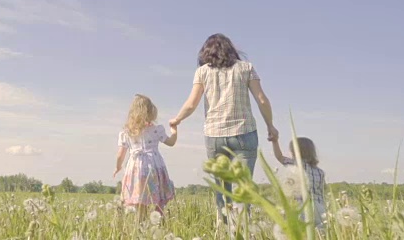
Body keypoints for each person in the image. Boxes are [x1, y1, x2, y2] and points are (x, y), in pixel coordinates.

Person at [169, 33, 278, 223]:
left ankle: (223, 228)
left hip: (214, 135)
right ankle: (242, 230)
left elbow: (191, 104)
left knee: (221, 188)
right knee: (243, 188)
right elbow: (262, 99)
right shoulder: (246, 68)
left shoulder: (202, 72)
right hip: (244, 132)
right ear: (231, 49)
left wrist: (177, 120)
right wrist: (271, 126)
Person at [113, 94, 177, 219]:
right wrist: (174, 131)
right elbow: (171, 142)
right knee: (157, 195)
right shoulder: (156, 130)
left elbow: (120, 154)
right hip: (154, 166)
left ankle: (141, 223)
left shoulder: (126, 132)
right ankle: (159, 219)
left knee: (140, 198)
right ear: (151, 111)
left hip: (136, 167)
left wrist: (118, 167)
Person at [272, 135, 326, 227]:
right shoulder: (320, 171)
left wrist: (275, 141)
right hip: (319, 208)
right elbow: (323, 190)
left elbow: (279, 156)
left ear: (294, 152)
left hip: (301, 207)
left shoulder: (293, 164)